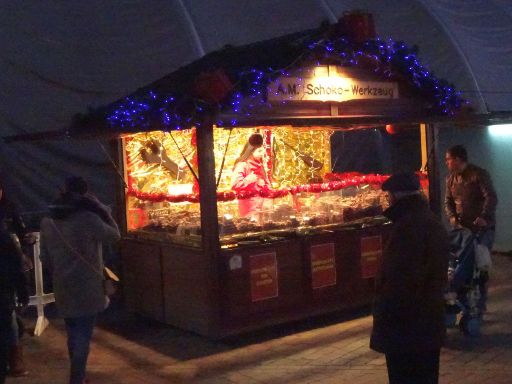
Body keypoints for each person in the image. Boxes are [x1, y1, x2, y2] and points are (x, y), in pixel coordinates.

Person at [370, 173, 449, 384]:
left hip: (406, 325)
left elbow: (399, 278)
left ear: (397, 197)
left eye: (389, 196)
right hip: (426, 322)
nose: (387, 200)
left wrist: (383, 308)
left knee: (405, 375)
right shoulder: (427, 220)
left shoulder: (407, 228)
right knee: (425, 374)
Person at [40, 176, 120, 384]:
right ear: (85, 195)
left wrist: (60, 271)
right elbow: (115, 236)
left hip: (63, 285)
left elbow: (44, 258)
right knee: (83, 333)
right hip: (88, 285)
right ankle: (76, 378)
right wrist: (104, 211)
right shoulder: (88, 219)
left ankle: (78, 376)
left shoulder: (48, 222)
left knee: (72, 331)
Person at [445, 144, 497, 312]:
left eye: (448, 159)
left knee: (480, 267)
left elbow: (491, 196)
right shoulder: (451, 179)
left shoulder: (478, 174)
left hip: (482, 229)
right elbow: (448, 202)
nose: (446, 163)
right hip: (463, 229)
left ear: (458, 159)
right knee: (462, 265)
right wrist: (452, 217)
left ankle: (480, 306)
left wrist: (484, 216)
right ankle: (462, 300)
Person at [0, 181, 32, 377]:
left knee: (9, 320)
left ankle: (14, 357)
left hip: (3, 284)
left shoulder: (9, 210)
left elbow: (15, 263)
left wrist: (22, 291)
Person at [0, 226, 29, 384]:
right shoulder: (3, 235)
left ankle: (14, 357)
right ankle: (14, 358)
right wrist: (23, 292)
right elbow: (15, 265)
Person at [231, 133, 271, 218]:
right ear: (251, 151)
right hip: (248, 210)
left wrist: (265, 188)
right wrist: (249, 180)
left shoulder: (260, 166)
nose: (262, 153)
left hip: (263, 209)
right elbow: (235, 184)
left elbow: (268, 185)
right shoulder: (242, 165)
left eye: (263, 150)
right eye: (259, 151)